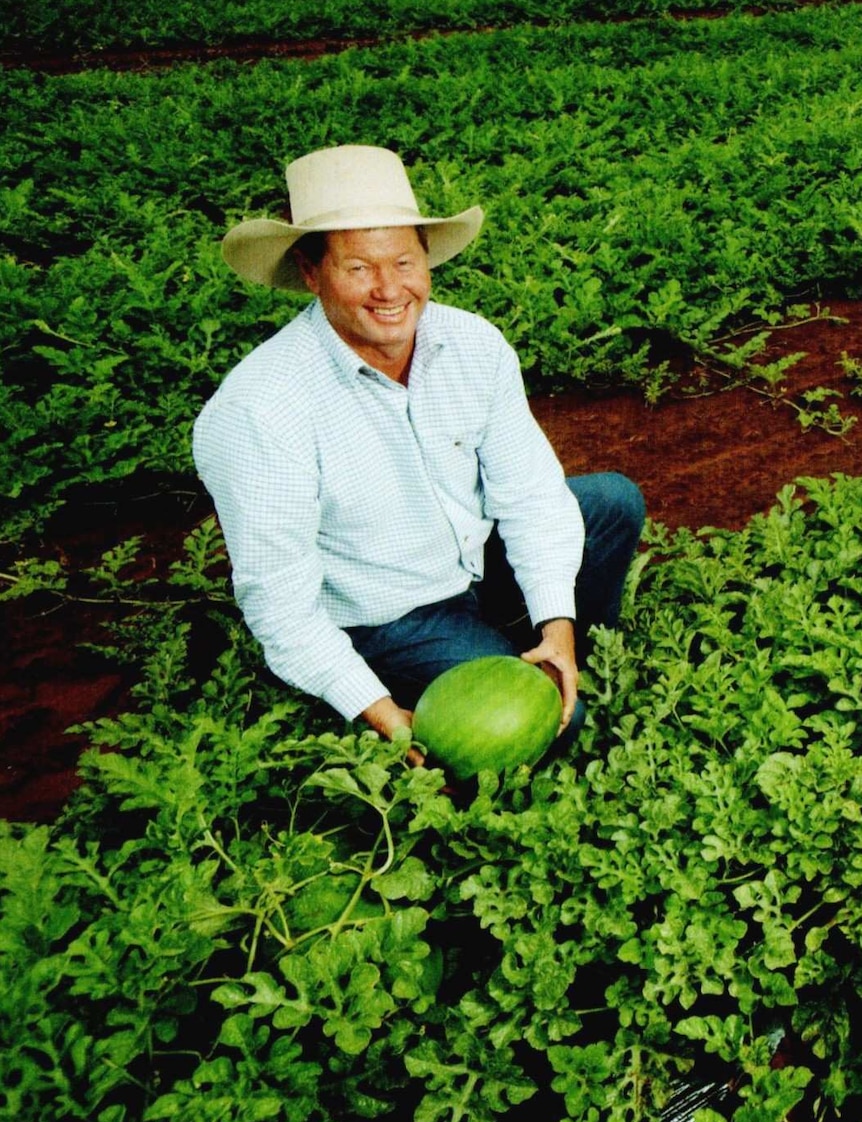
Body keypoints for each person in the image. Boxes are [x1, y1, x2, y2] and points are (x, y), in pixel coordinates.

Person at [193, 144, 644, 759]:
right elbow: (280, 603)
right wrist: (381, 713)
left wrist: (557, 627)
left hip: (470, 561)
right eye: (358, 269)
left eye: (404, 261)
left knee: (612, 503)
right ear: (309, 271)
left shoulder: (472, 345)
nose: (388, 290)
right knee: (558, 735)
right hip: (389, 614)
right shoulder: (259, 411)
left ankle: (553, 657)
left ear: (427, 258)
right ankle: (496, 673)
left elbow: (533, 496)